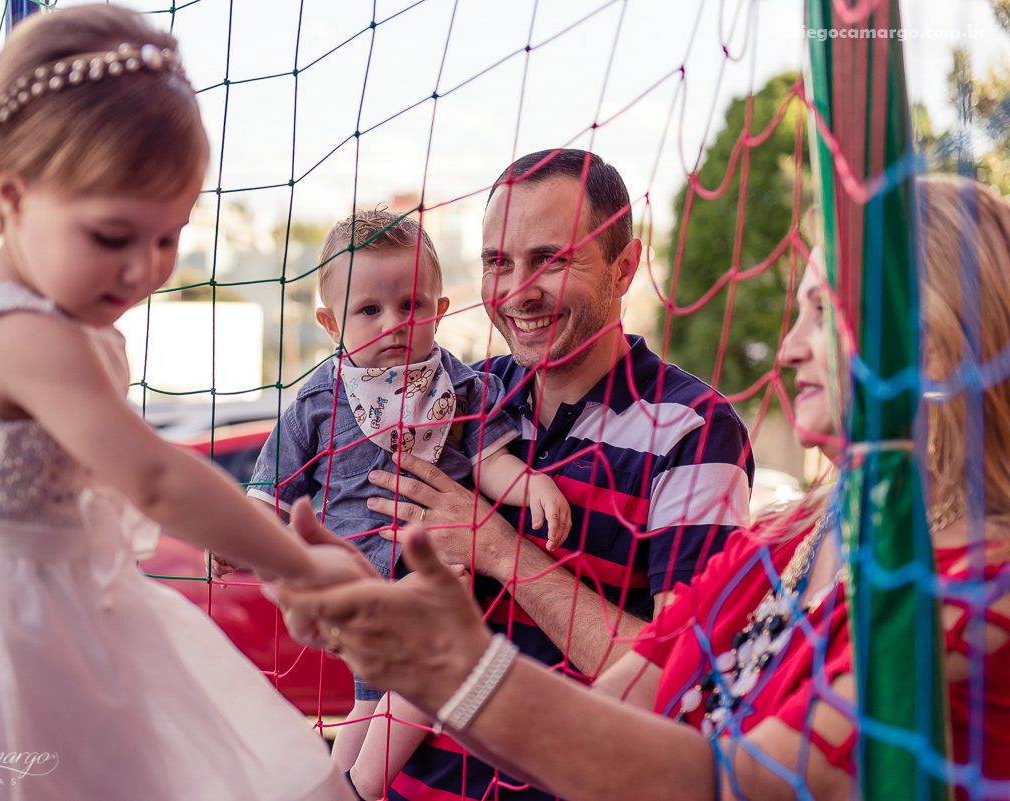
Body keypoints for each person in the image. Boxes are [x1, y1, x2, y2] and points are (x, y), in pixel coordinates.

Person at [277, 174, 1010, 801]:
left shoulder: (974, 590)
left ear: (930, 338)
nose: (788, 345)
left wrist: (475, 607)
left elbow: (723, 779)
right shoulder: (794, 534)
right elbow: (611, 704)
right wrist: (407, 648)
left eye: (822, 311)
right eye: (499, 261)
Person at [0, 7, 370, 800]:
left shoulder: (69, 313)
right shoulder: (22, 335)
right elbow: (156, 479)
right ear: (15, 195)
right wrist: (297, 561)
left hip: (53, 590)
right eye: (113, 236)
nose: (145, 269)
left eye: (169, 236)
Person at [345, 148, 754, 799]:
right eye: (497, 262)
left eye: (551, 260)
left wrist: (503, 550)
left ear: (625, 269)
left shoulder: (695, 430)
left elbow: (686, 677)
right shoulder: (458, 396)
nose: (516, 290)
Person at [227, 209, 570, 790]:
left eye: (411, 307)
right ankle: (351, 784)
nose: (392, 325)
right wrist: (239, 537)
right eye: (369, 310)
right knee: (373, 698)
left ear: (439, 311)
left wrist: (530, 483)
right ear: (331, 323)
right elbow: (271, 489)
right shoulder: (317, 399)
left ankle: (353, 785)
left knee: (410, 686)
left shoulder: (460, 386)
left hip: (437, 571)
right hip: (357, 575)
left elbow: (490, 462)